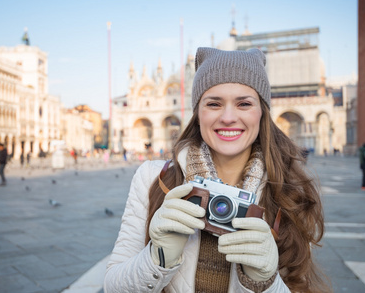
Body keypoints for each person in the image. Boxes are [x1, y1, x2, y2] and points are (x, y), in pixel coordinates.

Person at [104, 48, 330, 292]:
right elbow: (113, 286)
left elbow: (298, 284)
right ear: (198, 114)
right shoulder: (152, 179)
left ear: (262, 112)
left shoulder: (288, 189)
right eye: (214, 104)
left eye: (244, 103)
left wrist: (265, 281)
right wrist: (157, 258)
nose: (228, 117)